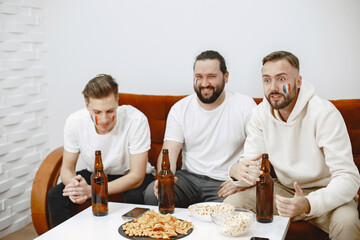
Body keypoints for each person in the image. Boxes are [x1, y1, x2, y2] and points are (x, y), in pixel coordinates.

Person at [226, 51, 360, 239]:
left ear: (298, 81)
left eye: (281, 79)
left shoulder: (324, 113)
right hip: (284, 191)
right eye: (266, 80)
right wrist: (236, 172)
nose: (273, 88)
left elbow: (348, 178)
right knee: (231, 203)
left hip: (327, 193)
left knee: (347, 222)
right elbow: (251, 166)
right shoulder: (260, 114)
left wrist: (308, 203)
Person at [144, 50, 256, 207]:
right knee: (153, 194)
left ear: (226, 76)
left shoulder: (245, 105)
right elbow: (168, 152)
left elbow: (258, 150)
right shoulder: (180, 109)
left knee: (229, 210)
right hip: (189, 178)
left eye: (211, 76)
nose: (204, 83)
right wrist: (164, 177)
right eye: (199, 77)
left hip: (224, 181)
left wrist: (240, 182)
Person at [47, 74, 155, 227]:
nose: (104, 120)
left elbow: (136, 176)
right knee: (55, 196)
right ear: (87, 105)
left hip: (131, 176)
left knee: (135, 195)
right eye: (97, 112)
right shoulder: (75, 121)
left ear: (117, 102)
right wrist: (76, 186)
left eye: (110, 111)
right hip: (96, 174)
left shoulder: (136, 120)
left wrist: (91, 190)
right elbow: (66, 168)